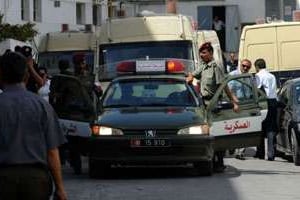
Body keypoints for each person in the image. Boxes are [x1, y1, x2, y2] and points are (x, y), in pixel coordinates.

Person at [0, 52, 67, 200]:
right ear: (27, 75)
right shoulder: (42, 106)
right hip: (36, 181)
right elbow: (52, 152)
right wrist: (60, 188)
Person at [186, 42, 239, 172]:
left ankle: (219, 162)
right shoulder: (203, 66)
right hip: (203, 105)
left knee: (217, 134)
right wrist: (189, 77)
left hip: (214, 105)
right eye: (201, 53)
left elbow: (224, 86)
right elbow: (193, 75)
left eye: (204, 53)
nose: (201, 55)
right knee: (206, 133)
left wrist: (234, 101)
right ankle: (208, 158)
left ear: (210, 53)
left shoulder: (216, 68)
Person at [253, 58, 278, 161]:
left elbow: (257, 89)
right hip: (273, 102)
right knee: (271, 127)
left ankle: (260, 153)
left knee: (260, 127)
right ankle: (271, 154)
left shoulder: (258, 76)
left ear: (257, 67)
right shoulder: (272, 76)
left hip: (264, 102)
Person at [229, 59, 252, 160]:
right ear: (240, 65)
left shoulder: (249, 77)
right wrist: (234, 103)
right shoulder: (233, 75)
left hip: (246, 104)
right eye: (244, 66)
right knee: (235, 128)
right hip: (235, 104)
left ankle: (240, 152)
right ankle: (232, 146)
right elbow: (229, 91)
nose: (245, 68)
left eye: (247, 67)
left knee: (245, 128)